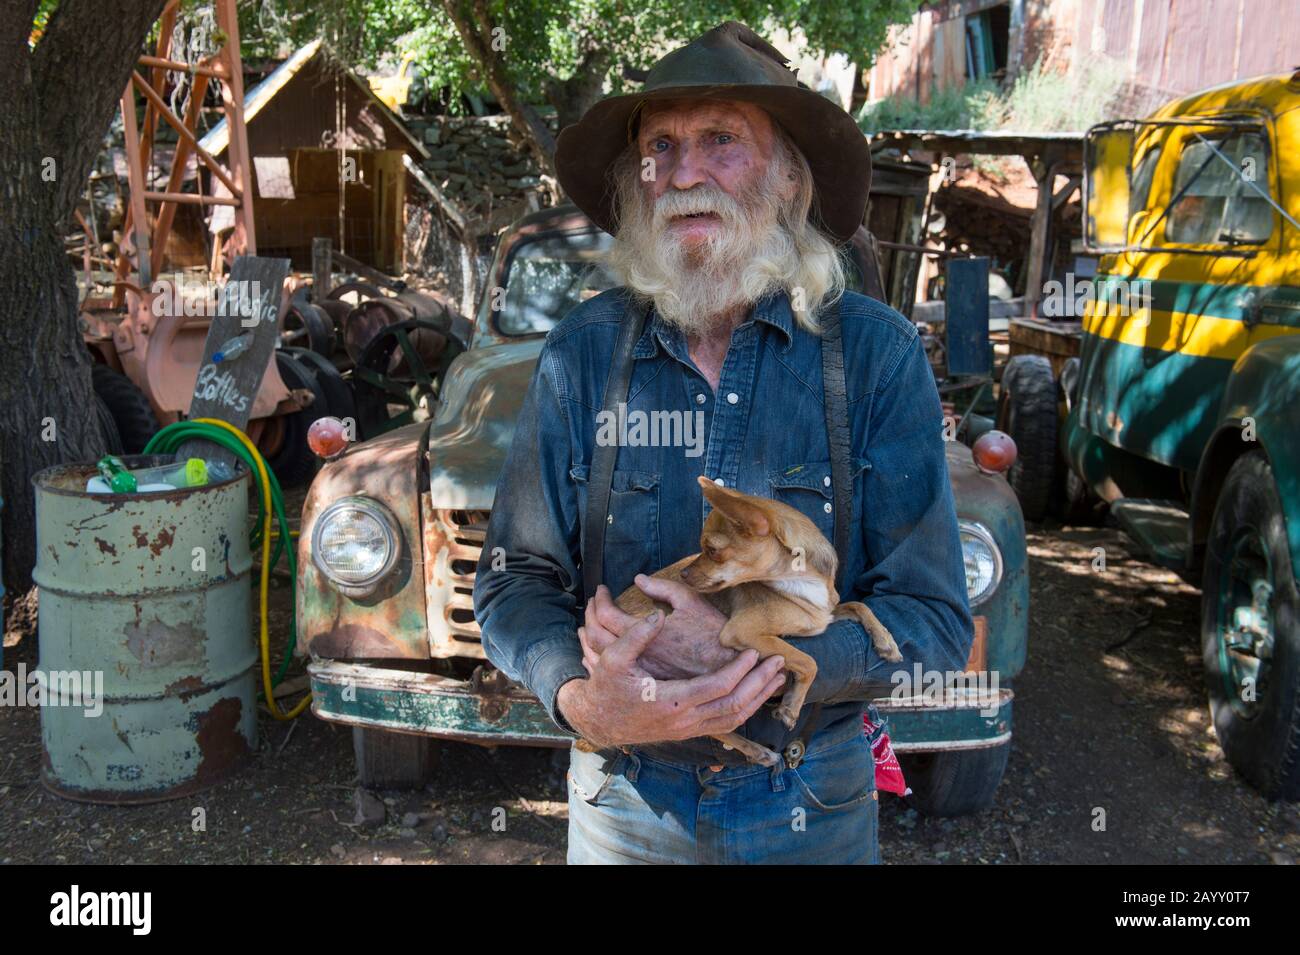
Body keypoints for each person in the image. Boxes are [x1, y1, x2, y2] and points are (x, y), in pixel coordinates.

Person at [474, 21, 972, 864]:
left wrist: (759, 652)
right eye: (660, 147)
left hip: (811, 795)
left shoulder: (875, 356)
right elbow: (513, 577)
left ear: (788, 179)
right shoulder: (582, 353)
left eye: (721, 141)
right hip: (625, 795)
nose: (683, 174)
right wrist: (579, 698)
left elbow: (932, 620)